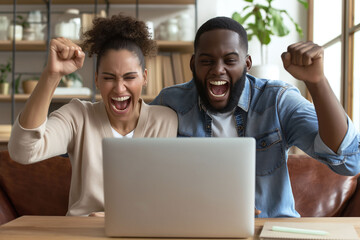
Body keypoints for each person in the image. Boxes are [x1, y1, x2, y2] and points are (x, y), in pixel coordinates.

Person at [152, 16, 360, 217]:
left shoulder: (277, 100)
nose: (218, 70)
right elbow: (144, 171)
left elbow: (349, 162)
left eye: (230, 60)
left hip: (269, 229)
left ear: (247, 63)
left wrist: (317, 82)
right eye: (206, 61)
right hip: (197, 228)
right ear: (192, 64)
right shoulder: (170, 102)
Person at [8, 14, 178, 216]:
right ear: (96, 79)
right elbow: (22, 151)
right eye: (109, 78)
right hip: (82, 233)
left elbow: (162, 200)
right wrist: (52, 75)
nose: (119, 88)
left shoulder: (166, 121)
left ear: (145, 77)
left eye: (130, 77)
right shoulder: (77, 116)